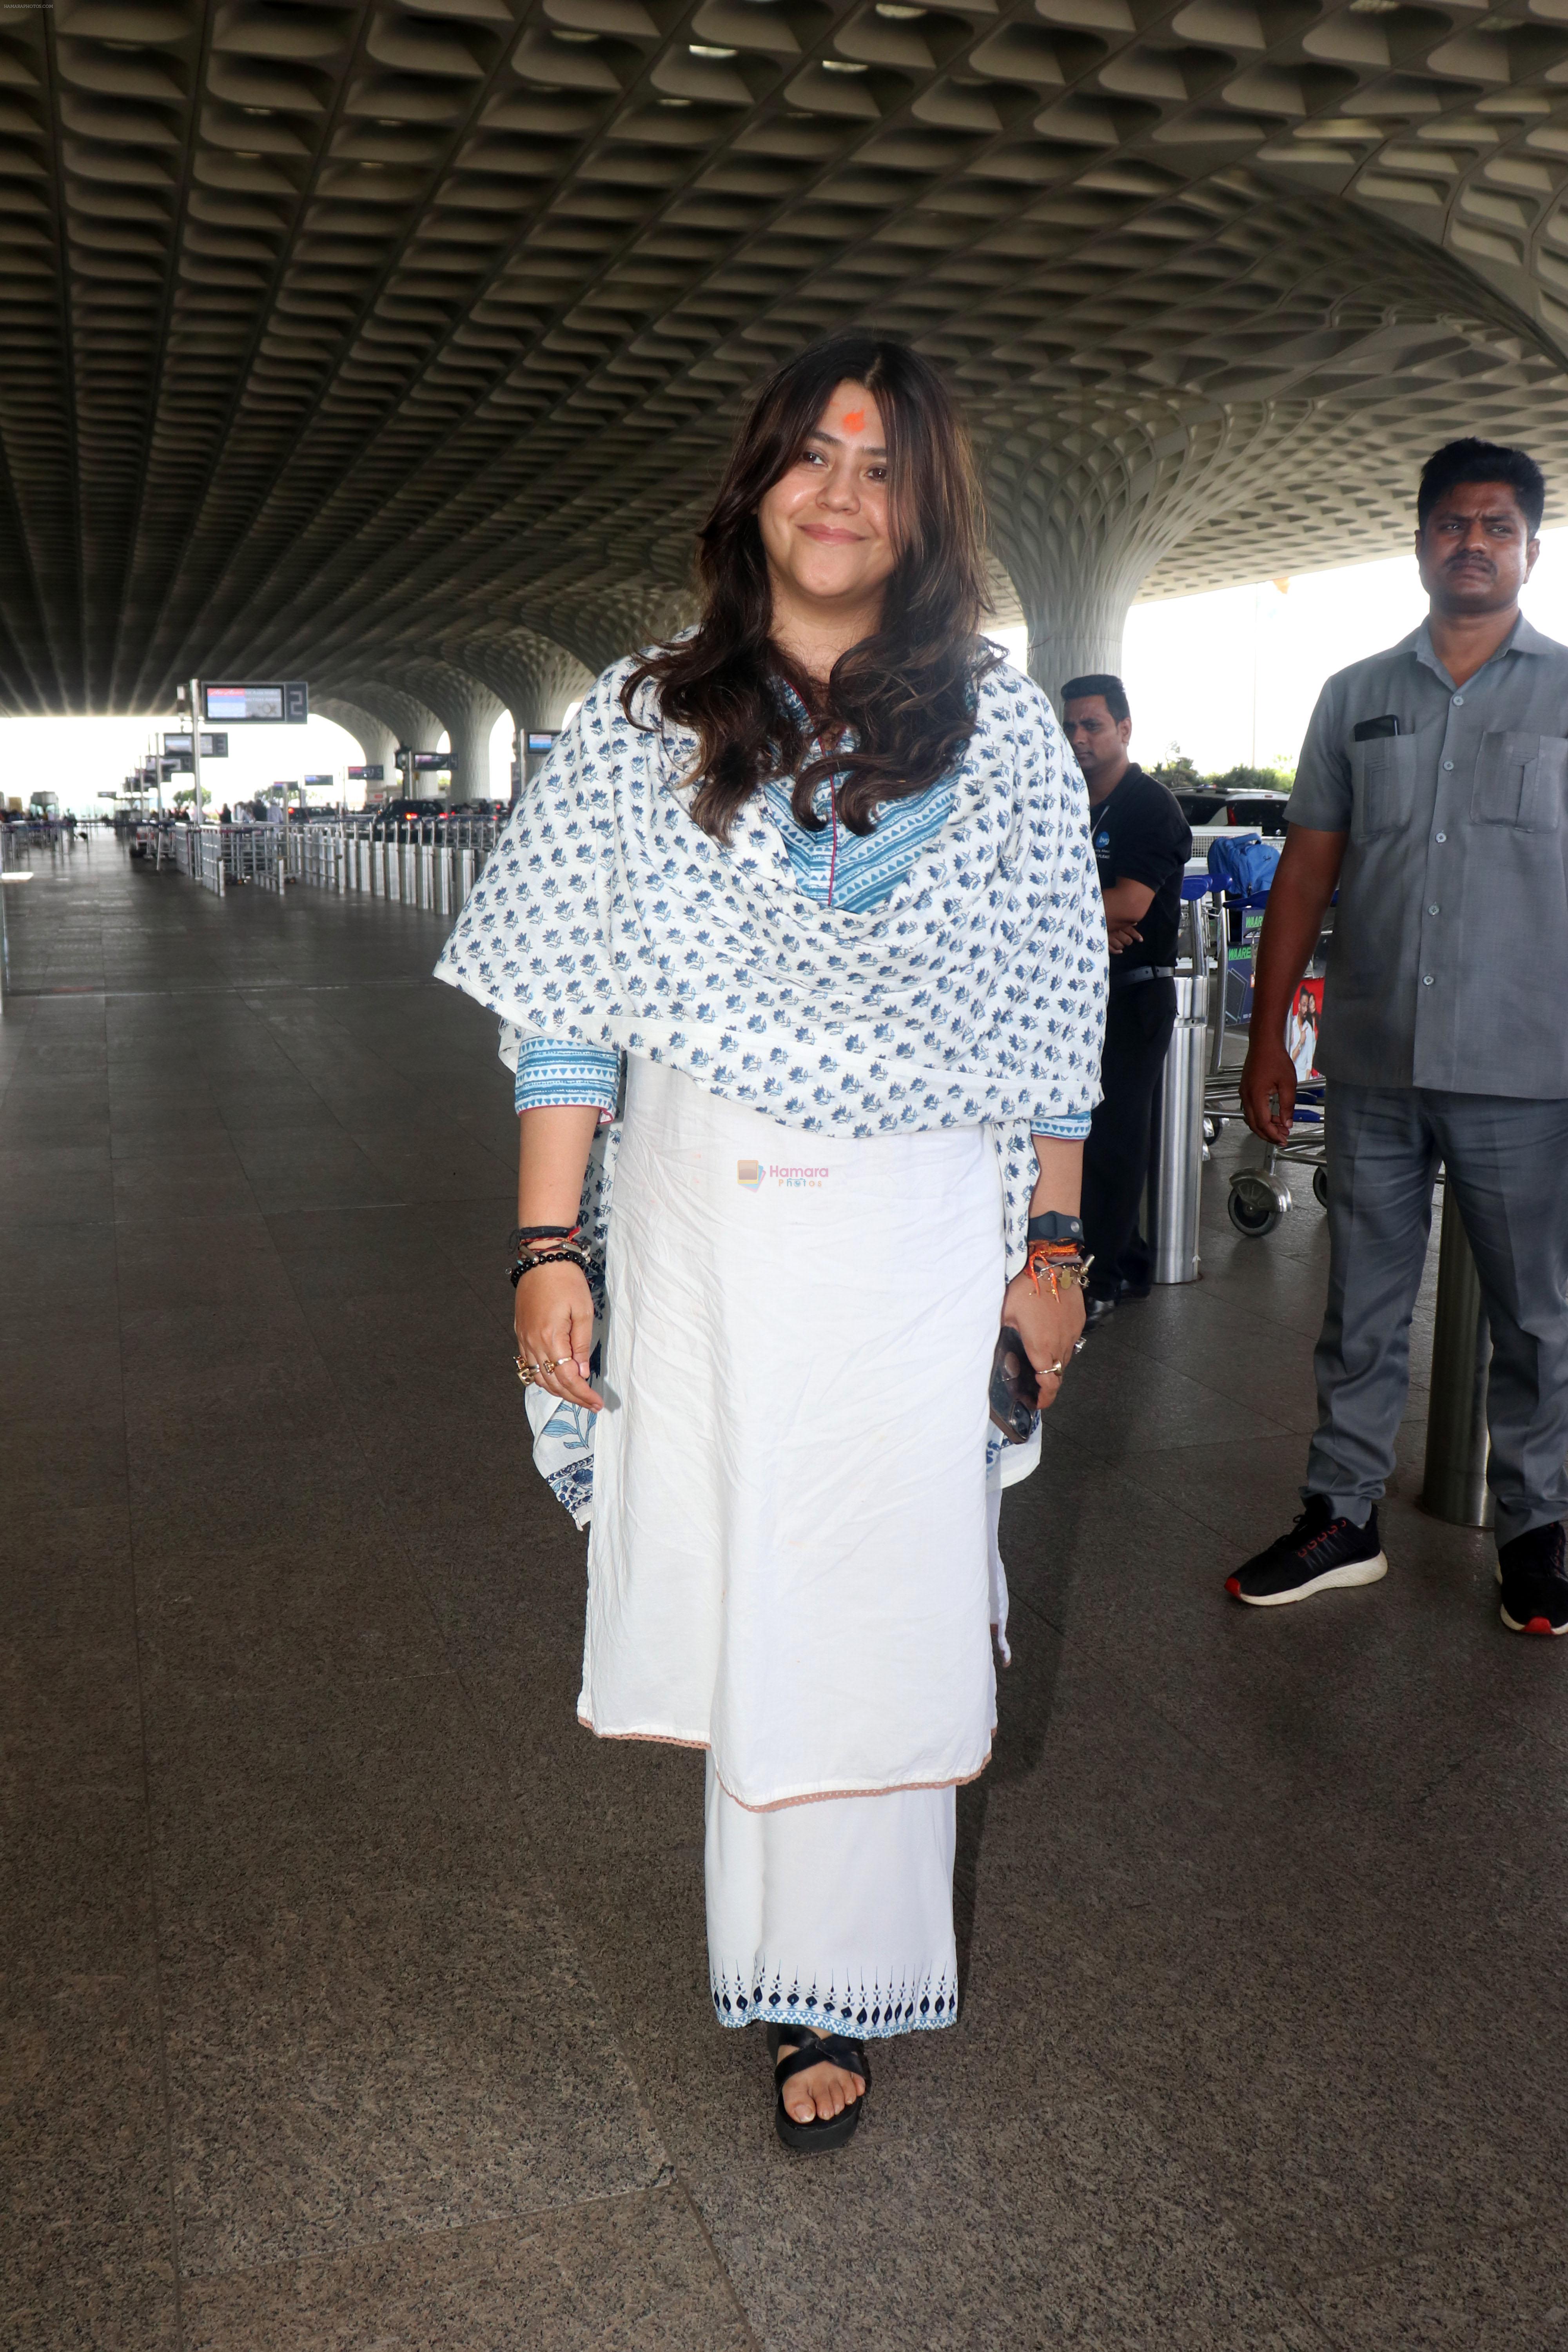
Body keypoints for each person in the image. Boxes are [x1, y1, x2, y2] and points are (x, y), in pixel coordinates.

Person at [437, 331, 1106, 2149]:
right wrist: (539, 1251)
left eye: (879, 464)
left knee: (880, 1582)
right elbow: (566, 1013)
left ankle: (846, 1972)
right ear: (754, 485)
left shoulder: (1005, 734)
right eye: (810, 453)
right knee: (759, 1574)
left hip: (913, 1232)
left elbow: (1054, 1016)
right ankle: (786, 1975)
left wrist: (1051, 1244)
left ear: (924, 508)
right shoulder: (642, 724)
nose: (838, 489)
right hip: (706, 1224)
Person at [1228, 436, 1568, 1637]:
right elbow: (1306, 878)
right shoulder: (1354, 697)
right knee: (1360, 1306)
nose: (1472, 543)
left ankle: (1537, 1533)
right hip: (1372, 1059)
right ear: (1420, 539)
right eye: (1451, 524)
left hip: (1530, 1068)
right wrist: (1270, 1037)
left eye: (1497, 527)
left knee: (1540, 1315)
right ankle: (1341, 1516)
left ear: (1529, 546)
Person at [1061, 675, 1192, 1327]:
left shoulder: (1150, 806)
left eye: (1093, 726)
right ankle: (1128, 1256)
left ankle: (1104, 1278)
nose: (1080, 740)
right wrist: (1089, 918)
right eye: (1073, 728)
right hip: (1078, 992)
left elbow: (1131, 906)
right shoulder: (1070, 803)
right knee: (1078, 1137)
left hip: (1134, 997)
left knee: (1112, 1139)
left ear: (1125, 729)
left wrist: (1073, 915)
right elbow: (1095, 906)